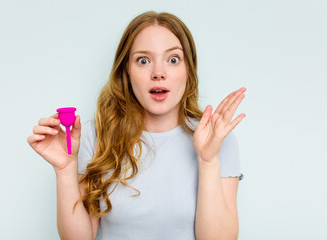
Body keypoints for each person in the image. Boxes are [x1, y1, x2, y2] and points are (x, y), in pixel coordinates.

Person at [27, 11, 246, 240]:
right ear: (126, 72)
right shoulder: (96, 135)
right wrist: (65, 171)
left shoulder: (218, 139)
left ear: (189, 70)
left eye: (173, 59)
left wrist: (208, 161)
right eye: (143, 60)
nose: (158, 73)